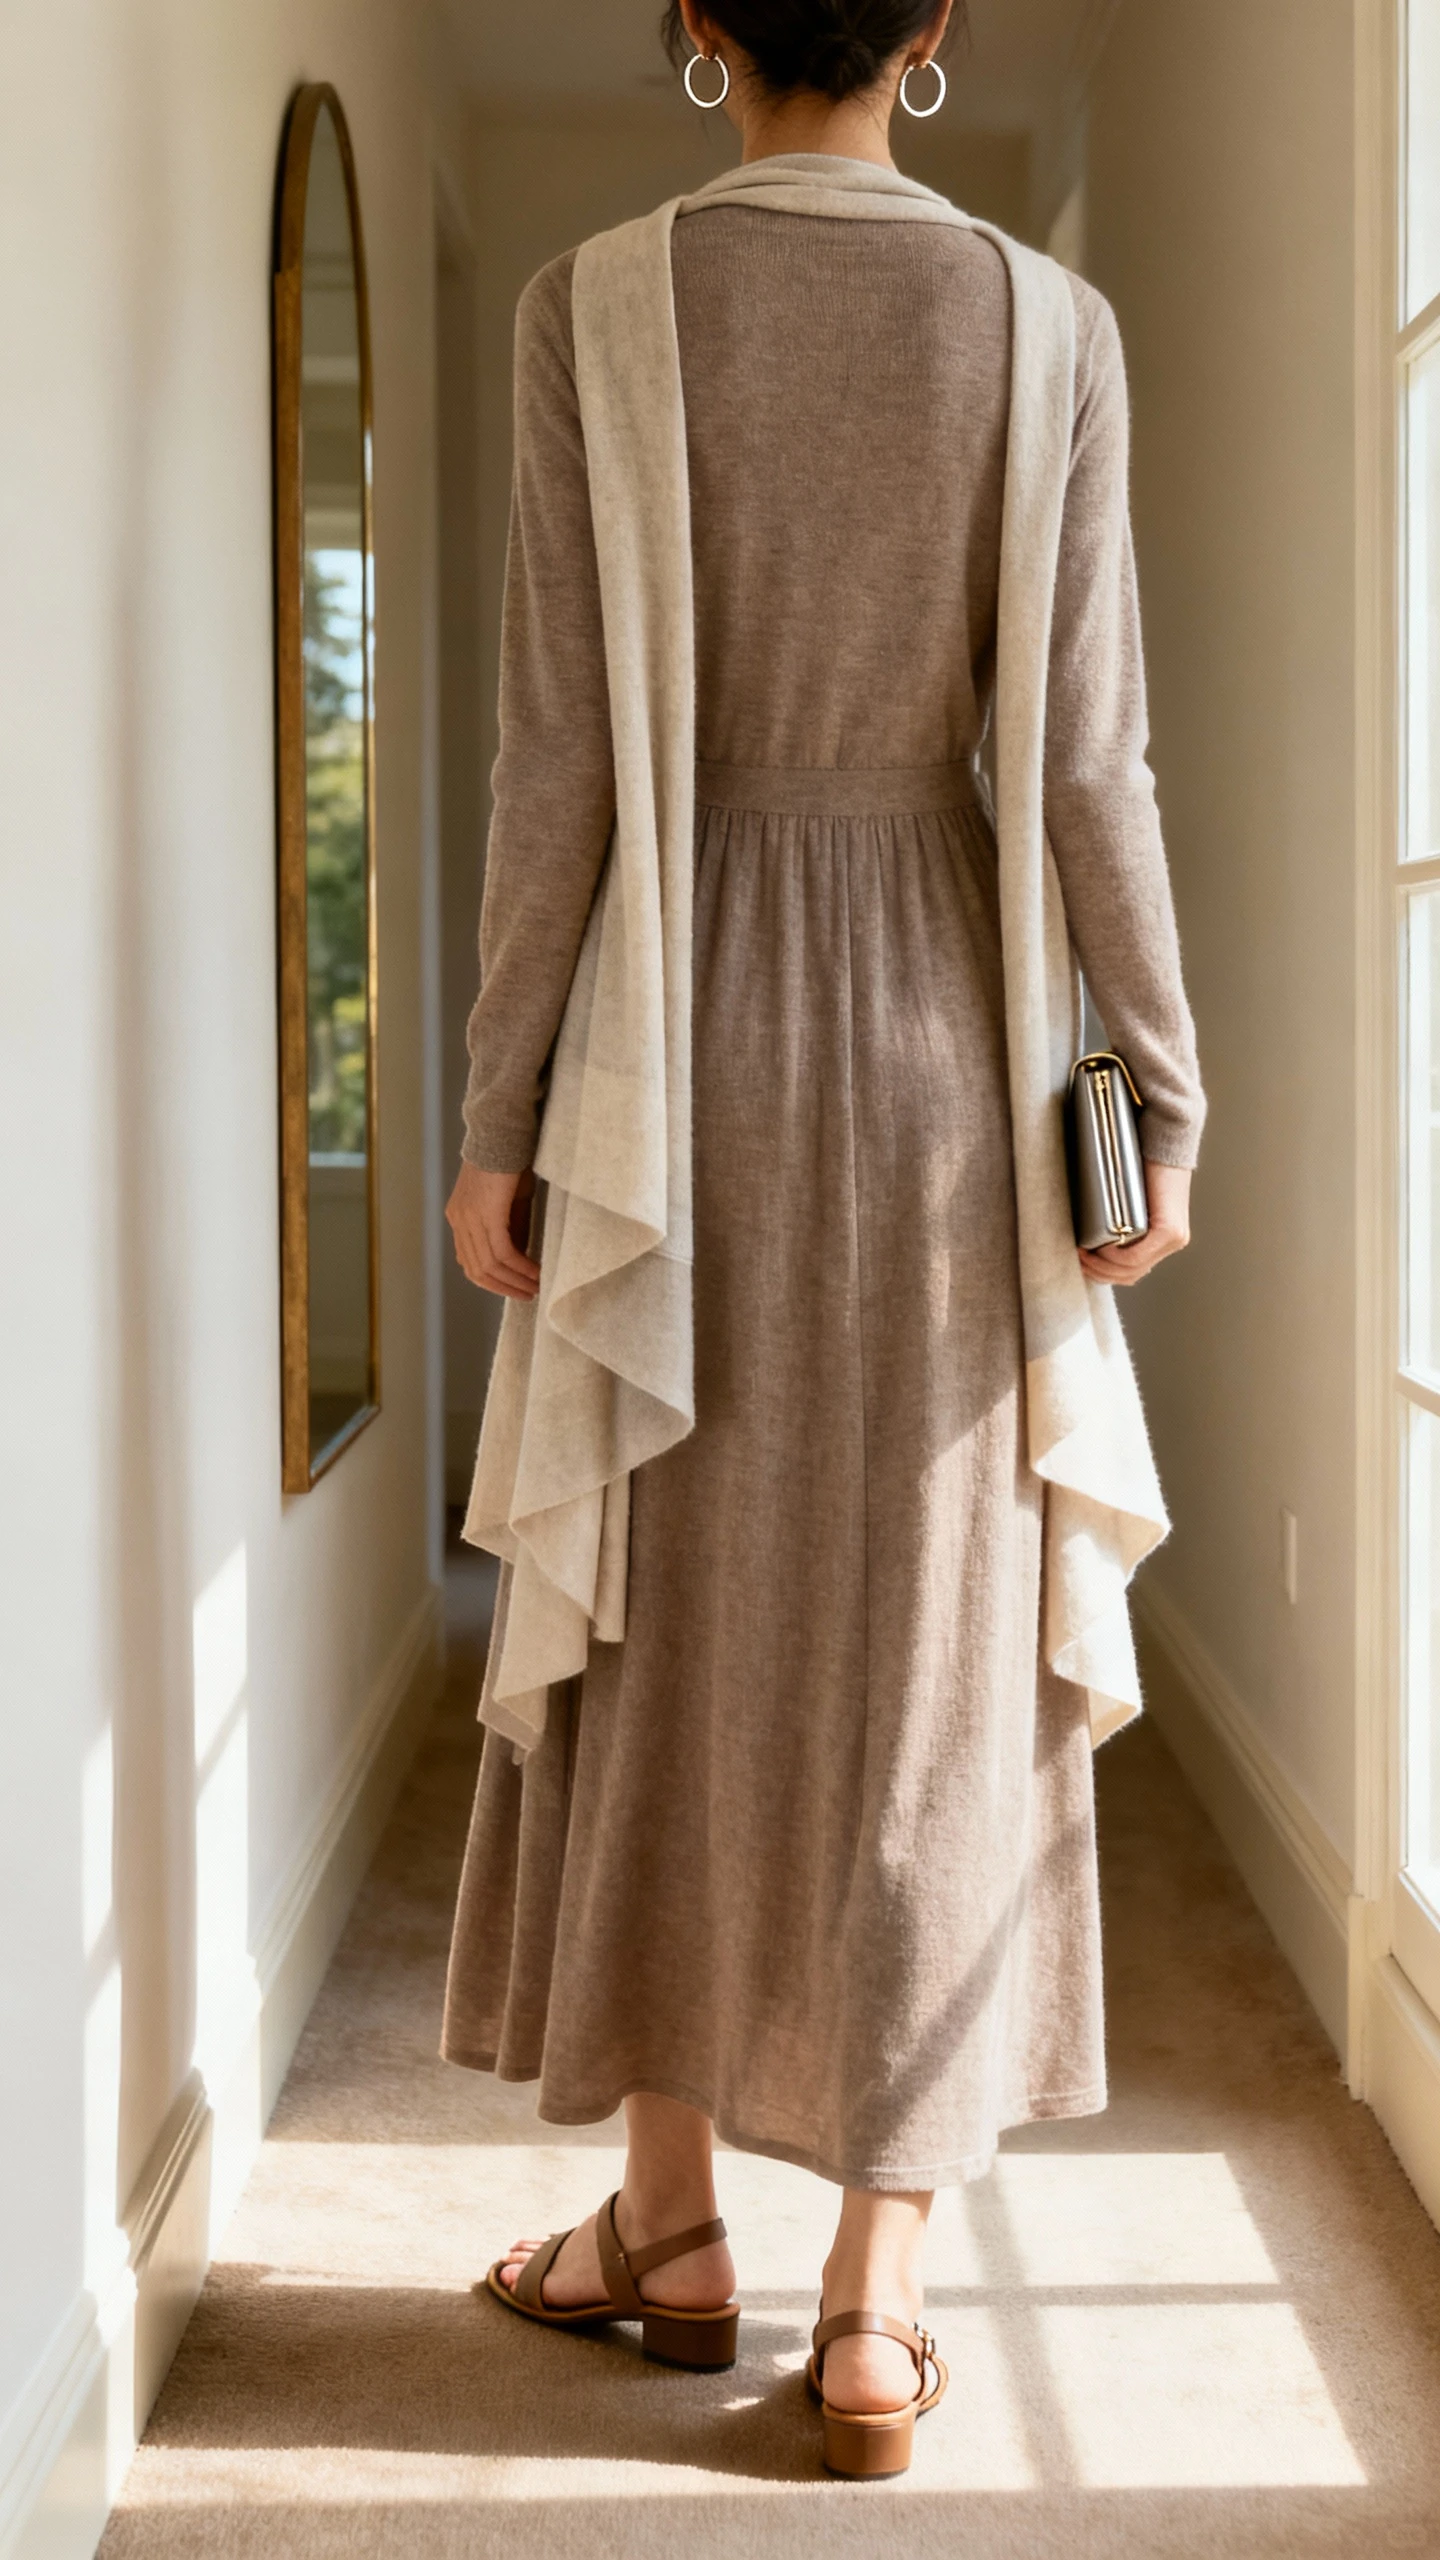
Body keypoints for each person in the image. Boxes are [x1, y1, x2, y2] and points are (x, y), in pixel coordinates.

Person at [441, 0, 1203, 2481]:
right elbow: (1087, 758)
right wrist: (1160, 1081)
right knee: (930, 1650)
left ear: (692, 19)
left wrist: (497, 1106)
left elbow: (561, 755)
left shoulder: (592, 305)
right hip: (950, 1058)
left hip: (667, 1054)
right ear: (937, 23)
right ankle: (875, 2305)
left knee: (660, 1613)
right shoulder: (1046, 328)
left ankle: (668, 2226)